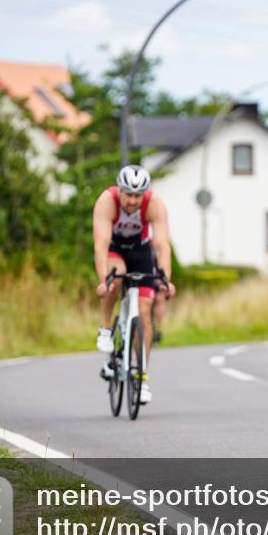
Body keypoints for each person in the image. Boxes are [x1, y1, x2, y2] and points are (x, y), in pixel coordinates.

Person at [92, 165, 176, 403]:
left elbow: (162, 245)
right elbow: (101, 243)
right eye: (128, 194)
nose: (132, 201)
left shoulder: (155, 204)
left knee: (145, 313)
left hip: (141, 252)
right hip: (115, 249)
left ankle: (141, 378)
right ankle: (106, 329)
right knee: (116, 277)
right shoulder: (107, 201)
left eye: (138, 195)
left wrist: (165, 280)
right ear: (120, 190)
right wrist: (103, 280)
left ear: (145, 194)